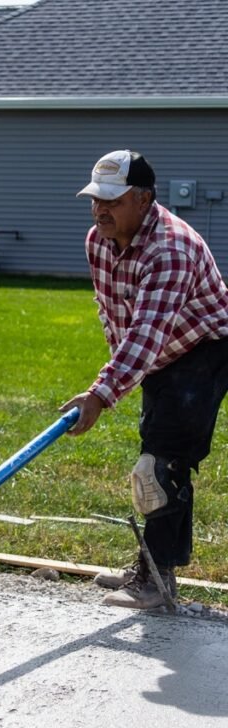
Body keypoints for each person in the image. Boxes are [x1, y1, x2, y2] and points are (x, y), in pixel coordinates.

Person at [61, 149, 228, 609]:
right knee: (159, 459)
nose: (100, 209)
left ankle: (156, 581)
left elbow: (149, 331)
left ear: (145, 199)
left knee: (160, 466)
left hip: (204, 348)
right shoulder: (98, 239)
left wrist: (101, 393)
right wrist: (118, 377)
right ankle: (155, 567)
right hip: (157, 354)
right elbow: (116, 315)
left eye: (112, 200)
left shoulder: (171, 249)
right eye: (95, 199)